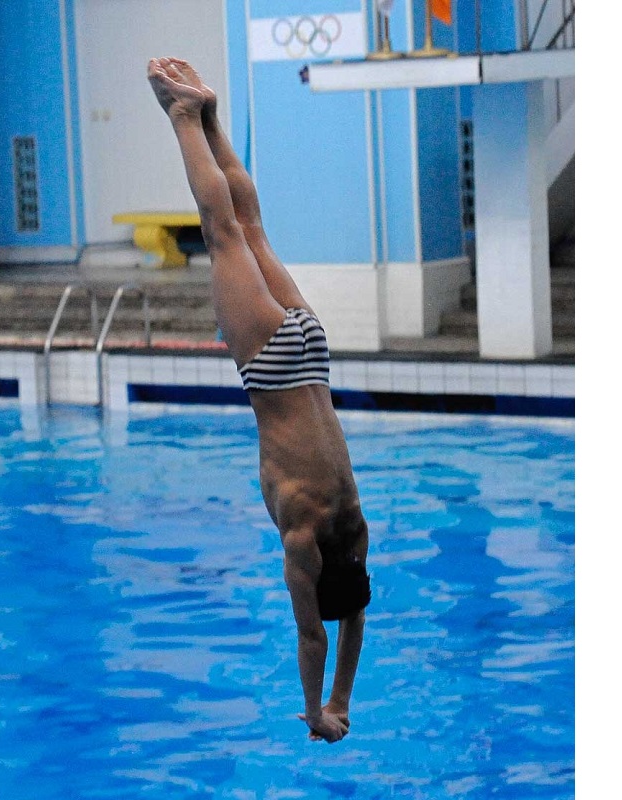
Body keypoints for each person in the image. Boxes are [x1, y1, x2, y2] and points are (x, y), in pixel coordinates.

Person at [147, 57, 372, 744]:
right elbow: (313, 634)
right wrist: (315, 714)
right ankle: (187, 117)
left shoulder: (357, 533)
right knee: (221, 231)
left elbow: (353, 617)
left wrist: (343, 700)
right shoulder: (304, 533)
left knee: (252, 226)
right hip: (275, 368)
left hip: (311, 350)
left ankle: (211, 113)